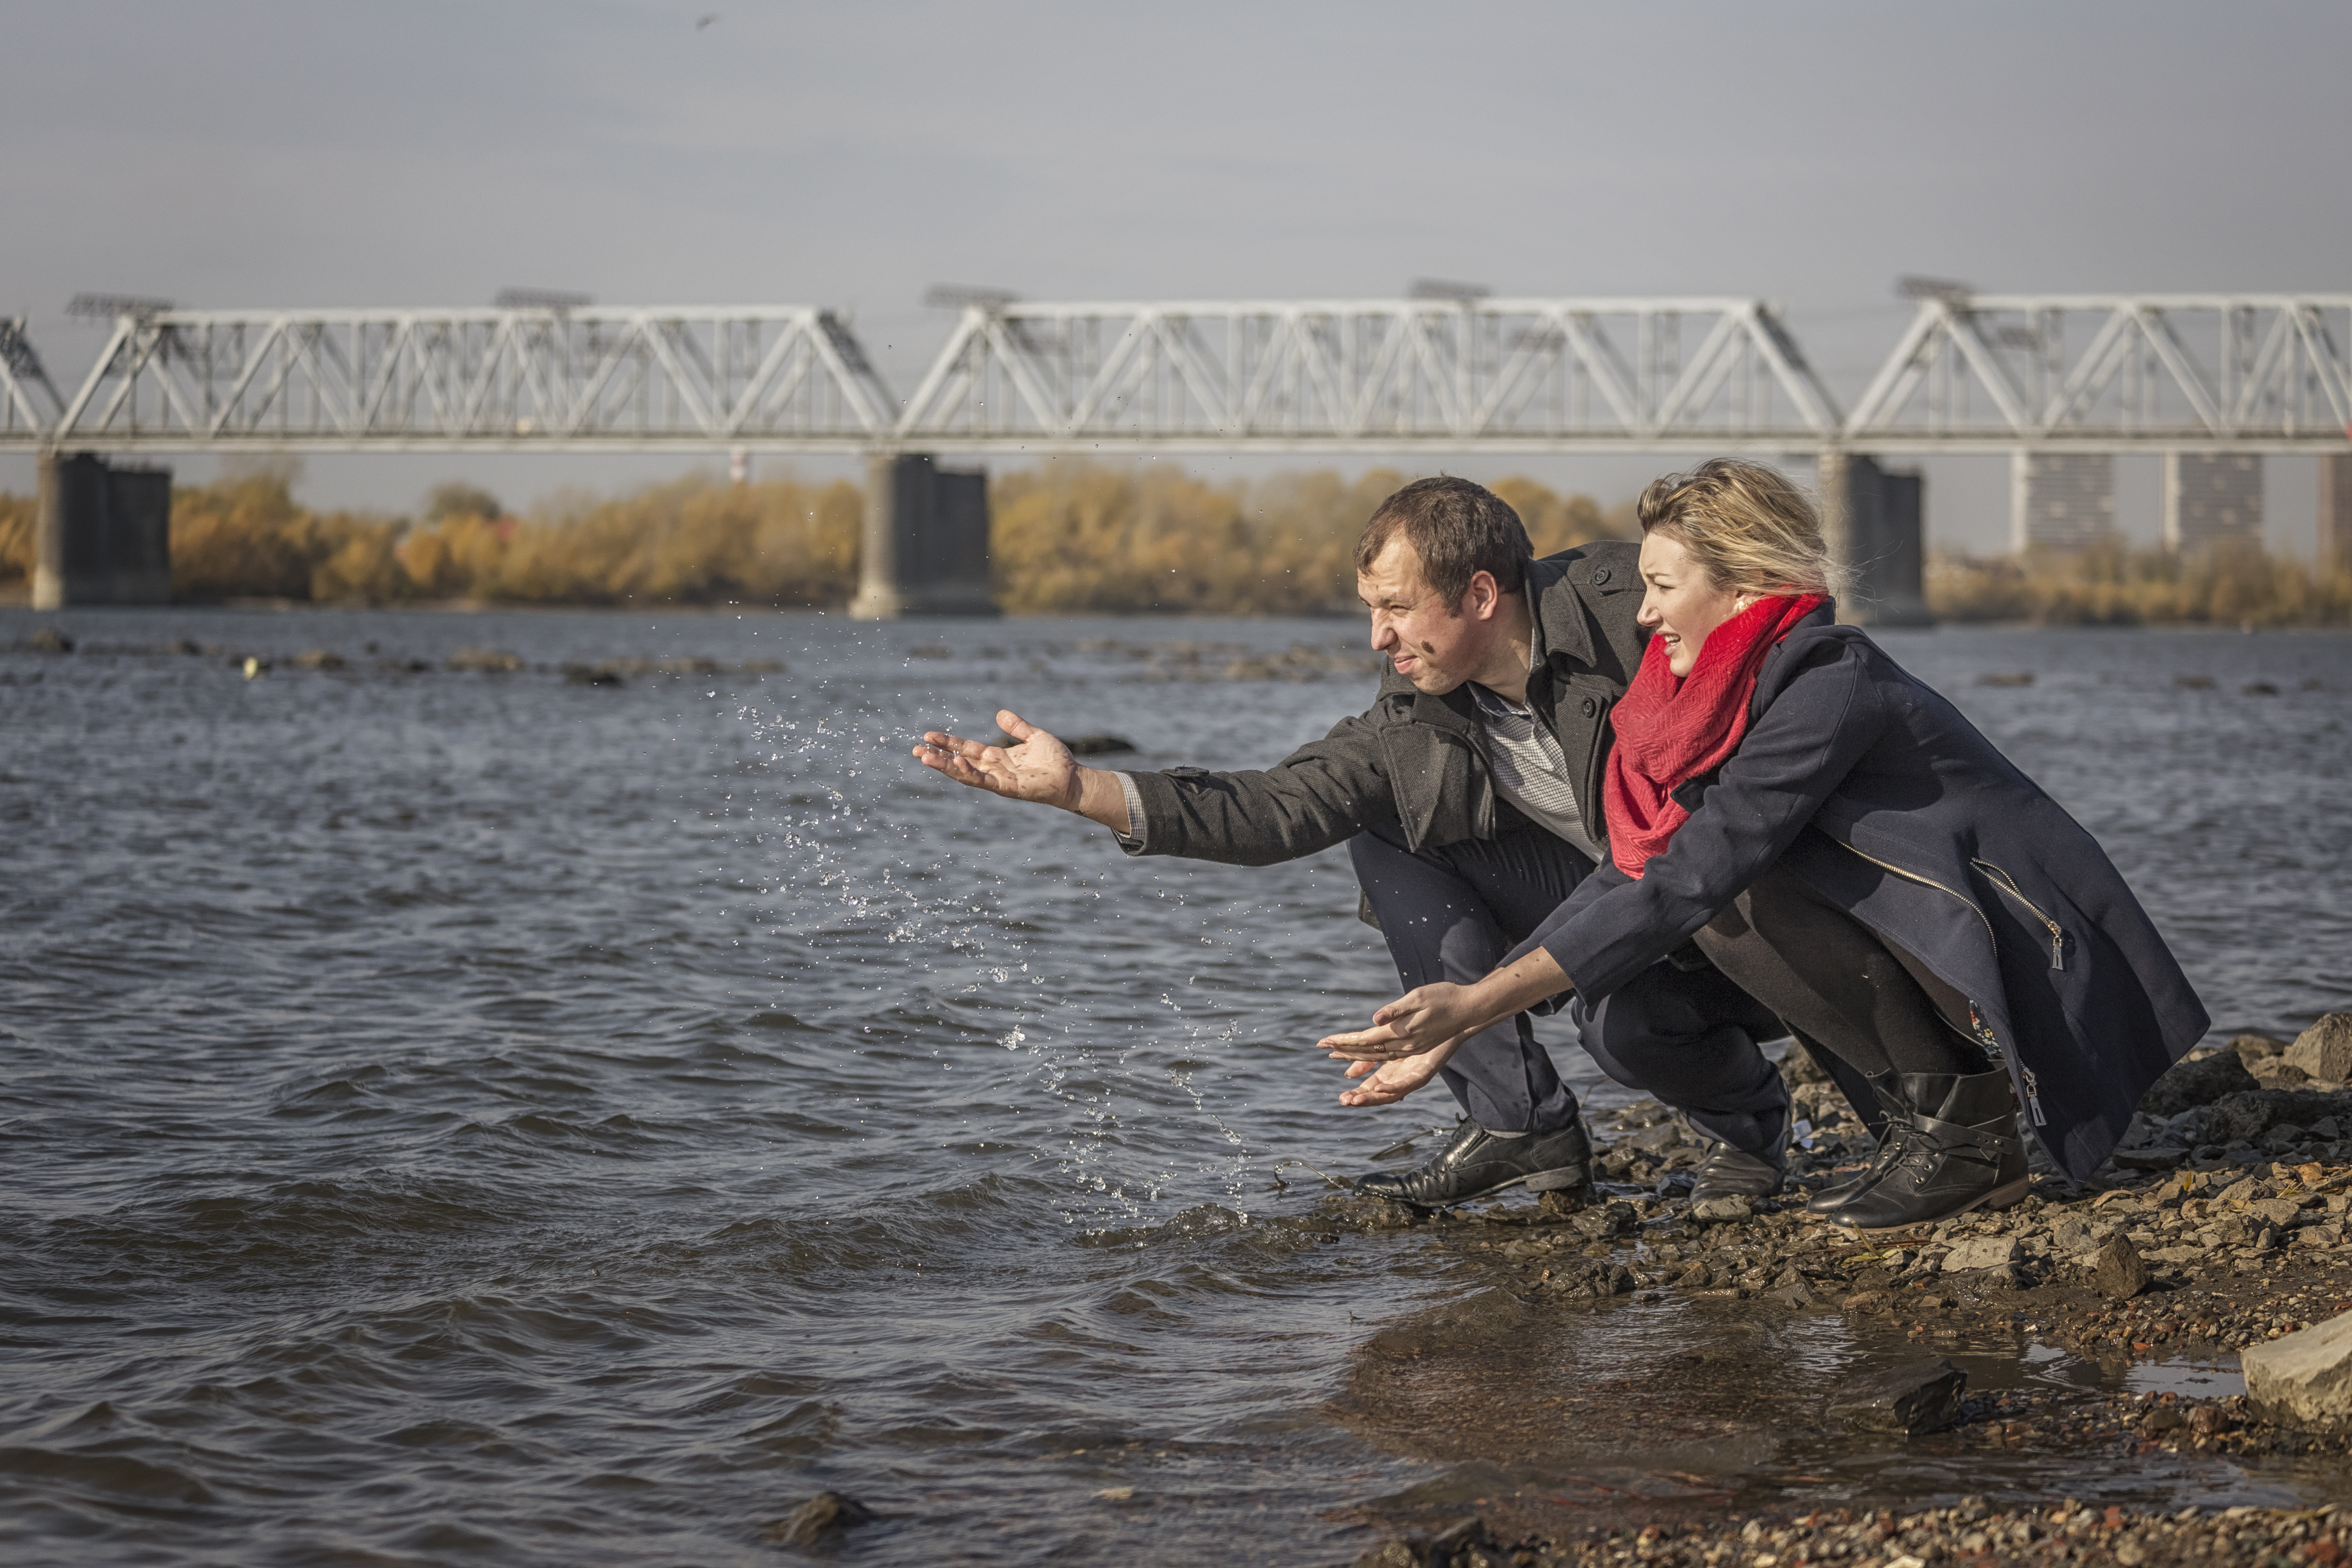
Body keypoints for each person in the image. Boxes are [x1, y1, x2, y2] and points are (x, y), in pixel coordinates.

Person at [1318, 459, 2209, 1231]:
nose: (1642, 615)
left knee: (1731, 893)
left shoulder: (1827, 683)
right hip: (1927, 946)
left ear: (1743, 588)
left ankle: (1970, 1141)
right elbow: (1636, 866)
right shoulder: (1707, 699)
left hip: (2031, 956)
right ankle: (1931, 1131)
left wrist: (1477, 1009)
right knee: (1669, 947)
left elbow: (1690, 878)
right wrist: (1477, 1002)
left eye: (1663, 588)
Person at [913, 477, 1794, 1210]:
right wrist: (1081, 791)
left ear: (1481, 595)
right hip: (1615, 907)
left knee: (1622, 1029)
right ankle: (1519, 1124)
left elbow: (1781, 642)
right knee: (1388, 828)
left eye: (1398, 609)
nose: (1379, 638)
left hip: (1748, 913)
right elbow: (1278, 807)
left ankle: (1754, 1133)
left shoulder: (1628, 609)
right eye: (1372, 610)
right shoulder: (1415, 709)